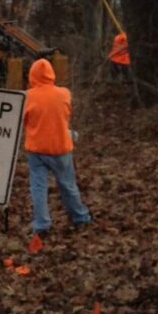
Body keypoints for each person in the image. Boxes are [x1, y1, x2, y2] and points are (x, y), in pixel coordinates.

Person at [23, 57, 92, 238]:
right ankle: (80, 218)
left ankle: (41, 224)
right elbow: (65, 115)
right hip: (61, 148)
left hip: (36, 150)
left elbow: (23, 121)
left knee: (38, 188)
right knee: (68, 185)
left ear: (32, 75)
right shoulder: (64, 93)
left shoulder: (27, 97)